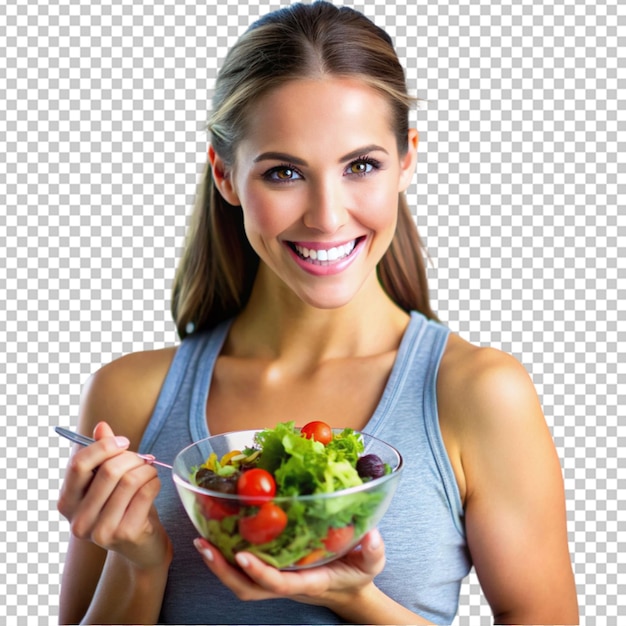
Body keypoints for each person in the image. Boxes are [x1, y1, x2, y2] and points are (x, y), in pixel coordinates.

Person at [56, 2, 578, 624]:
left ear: (407, 158)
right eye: (283, 173)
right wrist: (139, 562)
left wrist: (354, 599)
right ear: (225, 175)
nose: (327, 217)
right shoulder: (131, 395)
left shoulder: (478, 394)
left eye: (361, 165)